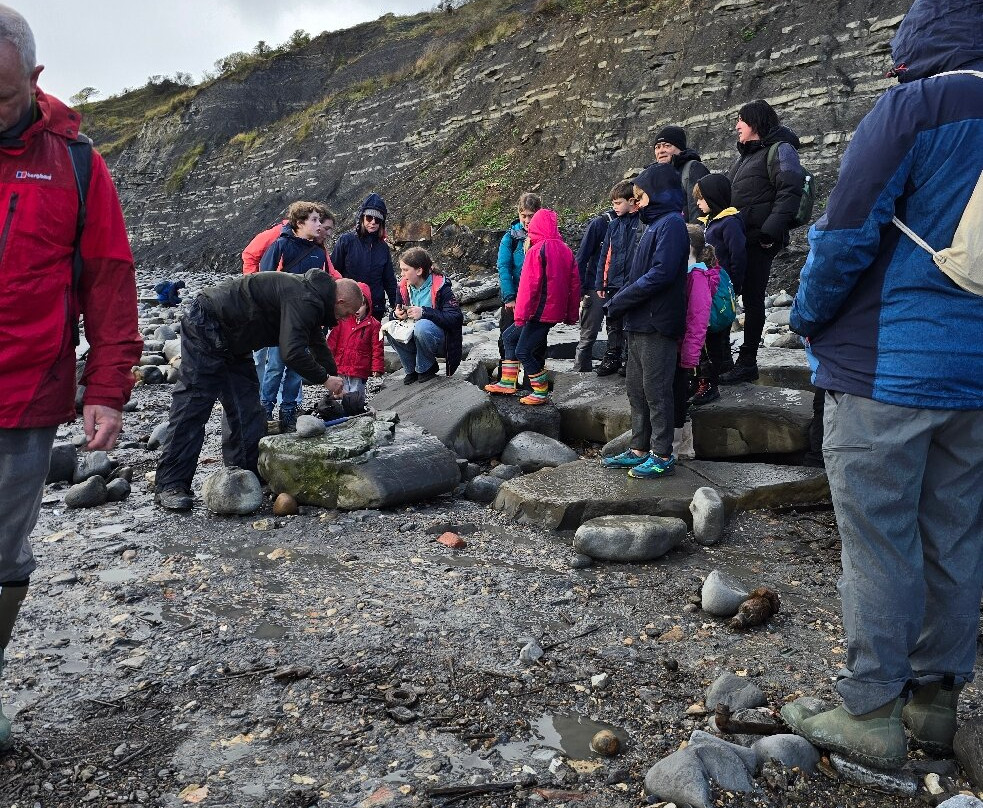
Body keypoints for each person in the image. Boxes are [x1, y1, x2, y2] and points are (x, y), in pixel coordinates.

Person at [780, 0, 983, 771]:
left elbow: (843, 232)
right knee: (954, 534)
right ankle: (933, 704)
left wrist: (805, 319)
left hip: (887, 365)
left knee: (878, 540)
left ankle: (868, 708)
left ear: (920, 35)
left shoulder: (916, 105)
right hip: (973, 380)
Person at [0, 4, 141, 749]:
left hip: (23, 395)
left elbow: (110, 281)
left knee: (1, 552)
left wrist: (108, 389)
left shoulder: (77, 164)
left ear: (35, 78)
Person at [154, 272, 363, 511]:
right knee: (194, 404)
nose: (344, 319)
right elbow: (292, 352)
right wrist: (325, 379)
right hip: (207, 322)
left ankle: (244, 476)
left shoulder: (313, 299)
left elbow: (317, 344)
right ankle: (170, 484)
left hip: (235, 339)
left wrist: (335, 380)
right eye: (346, 314)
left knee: (248, 409)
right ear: (341, 302)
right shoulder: (306, 299)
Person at [601, 163, 688, 478]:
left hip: (658, 323)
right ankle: (639, 448)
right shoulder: (650, 225)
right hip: (638, 322)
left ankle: (662, 454)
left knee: (656, 390)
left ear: (659, 194)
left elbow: (661, 274)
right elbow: (638, 275)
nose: (636, 203)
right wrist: (620, 302)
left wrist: (622, 300)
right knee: (636, 389)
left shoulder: (671, 225)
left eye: (641, 196)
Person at [719, 99, 804, 384]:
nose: (736, 126)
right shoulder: (744, 157)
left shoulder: (781, 150)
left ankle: (747, 361)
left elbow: (790, 191)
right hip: (740, 239)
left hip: (760, 240)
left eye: (740, 120)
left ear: (754, 122)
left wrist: (770, 232)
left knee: (753, 299)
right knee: (731, 296)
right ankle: (724, 360)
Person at [484, 209, 579, 405]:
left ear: (535, 226)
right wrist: (570, 315)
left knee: (523, 352)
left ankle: (541, 391)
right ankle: (508, 382)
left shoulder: (537, 250)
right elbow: (574, 285)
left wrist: (520, 316)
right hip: (551, 312)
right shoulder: (566, 249)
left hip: (538, 312)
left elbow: (528, 287)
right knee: (509, 337)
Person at [258, 201, 327, 431]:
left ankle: (288, 411)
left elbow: (322, 287)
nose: (319, 225)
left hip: (306, 321)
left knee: (298, 367)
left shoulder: (319, 251)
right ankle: (264, 410)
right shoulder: (281, 246)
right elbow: (264, 280)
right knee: (276, 365)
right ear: (299, 223)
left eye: (320, 220)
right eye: (314, 220)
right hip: (281, 318)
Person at [692, 173, 747, 404]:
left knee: (718, 330)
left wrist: (734, 283)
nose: (697, 203)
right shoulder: (707, 223)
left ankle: (717, 375)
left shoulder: (729, 222)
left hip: (720, 285)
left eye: (701, 198)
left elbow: (738, 254)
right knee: (714, 331)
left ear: (713, 198)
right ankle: (722, 370)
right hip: (706, 285)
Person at [672, 225, 718, 459]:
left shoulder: (697, 276)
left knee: (679, 395)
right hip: (681, 348)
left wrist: (689, 355)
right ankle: (684, 447)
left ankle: (677, 446)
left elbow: (698, 321)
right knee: (680, 394)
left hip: (684, 350)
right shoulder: (691, 273)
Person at [387, 247, 463, 383]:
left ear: (419, 270)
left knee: (422, 326)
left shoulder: (441, 287)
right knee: (389, 327)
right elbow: (394, 312)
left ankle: (425, 367)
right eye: (401, 269)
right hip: (412, 335)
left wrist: (424, 312)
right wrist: (397, 315)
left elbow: (455, 318)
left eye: (405, 270)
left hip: (440, 339)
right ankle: (411, 369)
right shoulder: (403, 287)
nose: (401, 274)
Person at [495, 192, 547, 384]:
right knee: (506, 340)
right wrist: (509, 297)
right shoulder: (511, 237)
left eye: (531, 216)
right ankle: (508, 381)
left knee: (536, 345)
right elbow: (504, 267)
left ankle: (534, 385)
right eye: (523, 215)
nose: (526, 220)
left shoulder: (546, 237)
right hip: (514, 299)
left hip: (536, 302)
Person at [594, 181, 641, 377]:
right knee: (612, 320)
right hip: (613, 281)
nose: (614, 207)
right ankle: (612, 355)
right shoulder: (612, 225)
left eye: (618, 203)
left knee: (629, 322)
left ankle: (628, 359)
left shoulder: (641, 223)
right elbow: (605, 256)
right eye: (613, 203)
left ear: (632, 202)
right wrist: (600, 282)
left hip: (631, 282)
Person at [331, 193, 398, 322]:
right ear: (362, 218)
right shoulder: (346, 241)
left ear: (382, 223)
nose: (373, 222)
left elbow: (389, 280)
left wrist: (397, 304)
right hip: (348, 308)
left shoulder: (383, 247)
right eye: (369, 218)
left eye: (377, 220)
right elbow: (333, 272)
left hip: (375, 308)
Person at [572, 202, 615, 372]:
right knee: (588, 334)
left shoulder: (634, 223)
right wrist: (580, 289)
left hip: (617, 286)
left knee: (616, 331)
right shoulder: (599, 224)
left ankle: (612, 364)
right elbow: (582, 258)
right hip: (593, 285)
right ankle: (580, 370)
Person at [327, 282, 384, 398]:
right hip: (341, 364)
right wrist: (327, 360)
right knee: (339, 391)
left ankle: (355, 410)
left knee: (356, 393)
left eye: (361, 305)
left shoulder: (374, 325)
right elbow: (332, 342)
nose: (358, 309)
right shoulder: (342, 320)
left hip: (359, 367)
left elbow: (377, 347)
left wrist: (376, 367)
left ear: (367, 305)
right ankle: (340, 410)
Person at [652, 125, 709, 224]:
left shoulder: (693, 169)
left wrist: (693, 237)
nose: (661, 151)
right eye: (657, 147)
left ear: (680, 148)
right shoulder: (653, 176)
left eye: (667, 146)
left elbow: (698, 212)